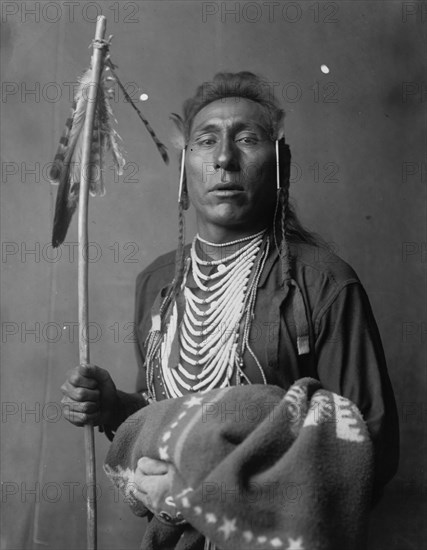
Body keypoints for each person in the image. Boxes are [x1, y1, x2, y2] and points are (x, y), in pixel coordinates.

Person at [61, 71, 399, 528]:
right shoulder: (158, 283)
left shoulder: (324, 284)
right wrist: (113, 408)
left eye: (247, 139)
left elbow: (368, 449)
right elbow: (165, 415)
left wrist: (203, 496)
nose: (224, 158)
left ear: (281, 163)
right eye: (205, 141)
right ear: (184, 167)